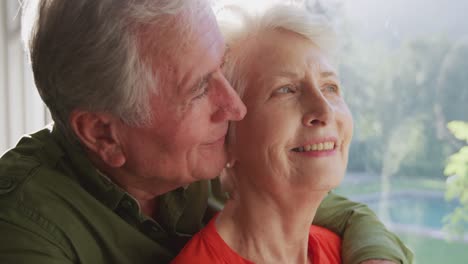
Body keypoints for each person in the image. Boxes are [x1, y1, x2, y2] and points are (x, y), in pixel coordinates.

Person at [0, 0, 412, 263]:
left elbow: (344, 213)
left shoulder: (206, 155)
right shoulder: (23, 231)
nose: (234, 106)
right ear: (103, 134)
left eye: (221, 68)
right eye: (199, 88)